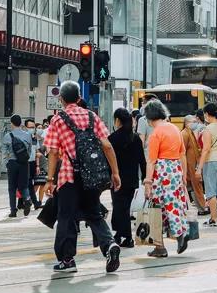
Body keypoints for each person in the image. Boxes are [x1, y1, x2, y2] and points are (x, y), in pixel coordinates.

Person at [43, 81, 122, 273]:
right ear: (79, 98)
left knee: (66, 216)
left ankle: (67, 260)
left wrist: (49, 180)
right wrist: (115, 172)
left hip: (69, 176)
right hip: (92, 176)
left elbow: (53, 152)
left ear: (60, 99)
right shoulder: (92, 116)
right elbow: (107, 145)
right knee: (93, 213)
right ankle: (109, 244)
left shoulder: (58, 119)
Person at [142, 99, 190, 257]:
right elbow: (182, 153)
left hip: (161, 172)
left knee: (156, 208)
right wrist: (184, 175)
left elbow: (151, 161)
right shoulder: (174, 129)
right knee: (174, 204)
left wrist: (148, 182)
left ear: (149, 117)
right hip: (176, 169)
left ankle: (165, 243)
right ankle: (176, 236)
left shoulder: (156, 134)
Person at [108, 108, 145, 248]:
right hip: (132, 179)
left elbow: (108, 161)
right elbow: (142, 160)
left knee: (119, 208)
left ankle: (127, 237)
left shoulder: (112, 138)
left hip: (116, 179)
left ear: (117, 120)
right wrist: (145, 178)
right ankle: (118, 235)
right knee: (123, 208)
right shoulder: (135, 138)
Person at [1, 115, 33, 218]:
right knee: (24, 185)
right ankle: (27, 198)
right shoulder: (28, 135)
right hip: (24, 163)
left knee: (12, 187)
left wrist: (6, 163)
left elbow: (4, 152)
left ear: (12, 123)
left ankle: (13, 211)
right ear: (21, 123)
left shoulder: (7, 136)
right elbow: (29, 149)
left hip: (12, 163)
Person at [181, 115, 207, 214]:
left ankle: (201, 207)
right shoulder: (184, 134)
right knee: (194, 187)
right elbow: (182, 152)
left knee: (193, 187)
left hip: (192, 165)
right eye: (193, 121)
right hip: (189, 165)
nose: (196, 123)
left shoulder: (190, 132)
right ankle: (201, 207)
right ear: (187, 123)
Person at [24, 118, 42, 210]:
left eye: (33, 127)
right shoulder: (23, 137)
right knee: (27, 184)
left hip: (32, 163)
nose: (32, 129)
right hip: (24, 163)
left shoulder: (35, 138)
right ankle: (34, 202)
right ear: (25, 127)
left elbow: (37, 151)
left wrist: (37, 165)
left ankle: (29, 202)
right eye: (30, 127)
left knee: (29, 183)